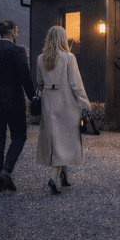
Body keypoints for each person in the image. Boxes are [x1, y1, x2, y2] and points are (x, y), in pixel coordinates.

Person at [0, 20, 36, 192]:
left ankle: (0, 180)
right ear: (12, 32)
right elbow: (25, 78)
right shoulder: (18, 51)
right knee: (19, 136)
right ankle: (6, 170)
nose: (17, 35)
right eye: (17, 31)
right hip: (14, 102)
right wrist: (33, 97)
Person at [35, 26, 92, 195]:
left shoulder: (40, 58)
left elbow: (39, 80)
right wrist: (86, 103)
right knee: (65, 138)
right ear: (62, 39)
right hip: (66, 102)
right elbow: (76, 84)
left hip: (48, 102)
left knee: (55, 138)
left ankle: (64, 176)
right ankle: (53, 178)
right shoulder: (69, 57)